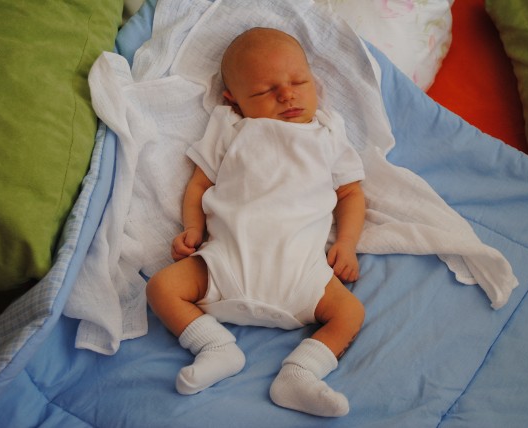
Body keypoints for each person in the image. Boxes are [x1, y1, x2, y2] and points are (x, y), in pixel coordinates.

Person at [146, 27, 366, 418]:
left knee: (350, 313)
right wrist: (193, 229)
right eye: (266, 90)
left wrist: (346, 244)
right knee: (161, 287)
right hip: (225, 263)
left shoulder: (328, 132)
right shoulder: (231, 127)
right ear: (233, 99)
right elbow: (199, 185)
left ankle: (300, 374)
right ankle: (214, 346)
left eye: (299, 82)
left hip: (302, 274)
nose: (287, 95)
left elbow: (350, 193)